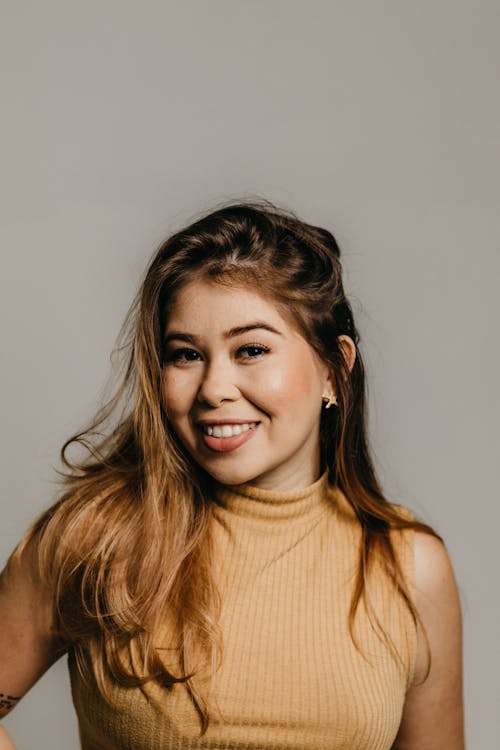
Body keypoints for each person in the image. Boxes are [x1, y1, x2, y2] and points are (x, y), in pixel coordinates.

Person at [0, 199, 464, 749]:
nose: (214, 388)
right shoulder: (93, 537)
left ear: (334, 371)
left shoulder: (409, 569)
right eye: (185, 354)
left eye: (250, 349)